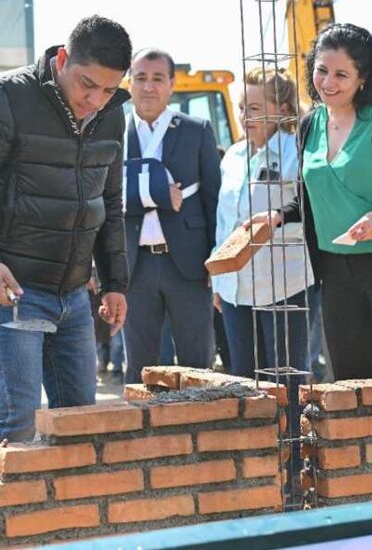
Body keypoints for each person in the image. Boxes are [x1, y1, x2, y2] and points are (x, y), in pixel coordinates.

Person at [0, 15, 131, 473]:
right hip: (12, 289)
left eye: (108, 90)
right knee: (16, 422)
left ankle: (62, 514)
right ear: (62, 59)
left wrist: (115, 283)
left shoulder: (111, 114)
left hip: (74, 295)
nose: (94, 100)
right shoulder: (5, 97)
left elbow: (108, 203)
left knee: (77, 422)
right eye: (86, 84)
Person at [252, 23, 372, 380]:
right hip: (336, 272)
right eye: (321, 70)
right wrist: (277, 215)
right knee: (349, 383)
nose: (328, 82)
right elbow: (311, 197)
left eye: (341, 74)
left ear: (363, 77)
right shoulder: (309, 125)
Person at [121, 47, 221, 384]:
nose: (148, 87)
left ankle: (201, 419)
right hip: (134, 266)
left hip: (189, 264)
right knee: (140, 369)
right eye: (140, 78)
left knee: (198, 364)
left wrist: (216, 260)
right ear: (129, 83)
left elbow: (213, 199)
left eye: (157, 79)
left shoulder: (196, 130)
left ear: (172, 84)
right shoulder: (113, 133)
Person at [214, 67, 313, 378]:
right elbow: (224, 223)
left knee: (285, 380)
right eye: (242, 107)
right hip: (235, 289)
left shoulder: (297, 152)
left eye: (255, 108)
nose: (245, 116)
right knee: (243, 380)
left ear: (282, 110)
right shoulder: (232, 156)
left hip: (285, 285)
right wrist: (218, 281)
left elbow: (307, 211)